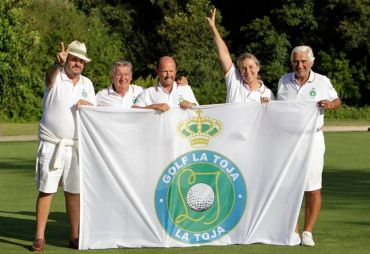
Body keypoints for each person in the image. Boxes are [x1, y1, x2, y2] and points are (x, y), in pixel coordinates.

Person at [31, 40, 96, 251]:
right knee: (46, 190)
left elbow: (93, 112)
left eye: (81, 61)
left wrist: (88, 105)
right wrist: (55, 63)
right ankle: (39, 236)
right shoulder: (55, 76)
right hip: (52, 144)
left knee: (74, 193)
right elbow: (49, 75)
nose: (77, 63)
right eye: (74, 59)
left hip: (76, 147)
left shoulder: (87, 84)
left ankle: (75, 236)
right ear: (66, 59)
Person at [277, 45, 341, 247]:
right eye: (296, 61)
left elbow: (336, 100)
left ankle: (307, 231)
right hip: (288, 141)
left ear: (311, 62)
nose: (300, 65)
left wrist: (330, 105)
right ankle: (293, 231)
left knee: (312, 188)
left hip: (313, 139)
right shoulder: (283, 81)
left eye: (304, 61)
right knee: (288, 187)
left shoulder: (322, 81)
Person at [206, 8, 273, 103]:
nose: (247, 71)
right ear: (239, 70)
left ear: (258, 67)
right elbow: (224, 54)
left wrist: (267, 106)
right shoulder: (234, 80)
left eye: (251, 67)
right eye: (243, 68)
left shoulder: (268, 93)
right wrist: (213, 27)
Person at [133, 56, 198, 112]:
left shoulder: (186, 89)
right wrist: (153, 107)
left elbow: (199, 110)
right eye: (165, 71)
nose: (168, 75)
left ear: (175, 71)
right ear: (157, 72)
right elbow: (134, 112)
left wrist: (191, 105)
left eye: (171, 71)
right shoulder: (147, 93)